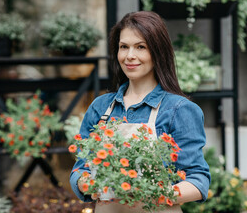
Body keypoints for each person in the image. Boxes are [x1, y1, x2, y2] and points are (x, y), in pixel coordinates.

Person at [70, 11, 210, 212]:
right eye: (123, 47)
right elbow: (80, 169)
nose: (129, 56)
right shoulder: (101, 108)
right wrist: (90, 185)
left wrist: (152, 195)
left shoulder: (179, 110)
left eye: (140, 47)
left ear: (157, 52)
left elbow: (198, 180)